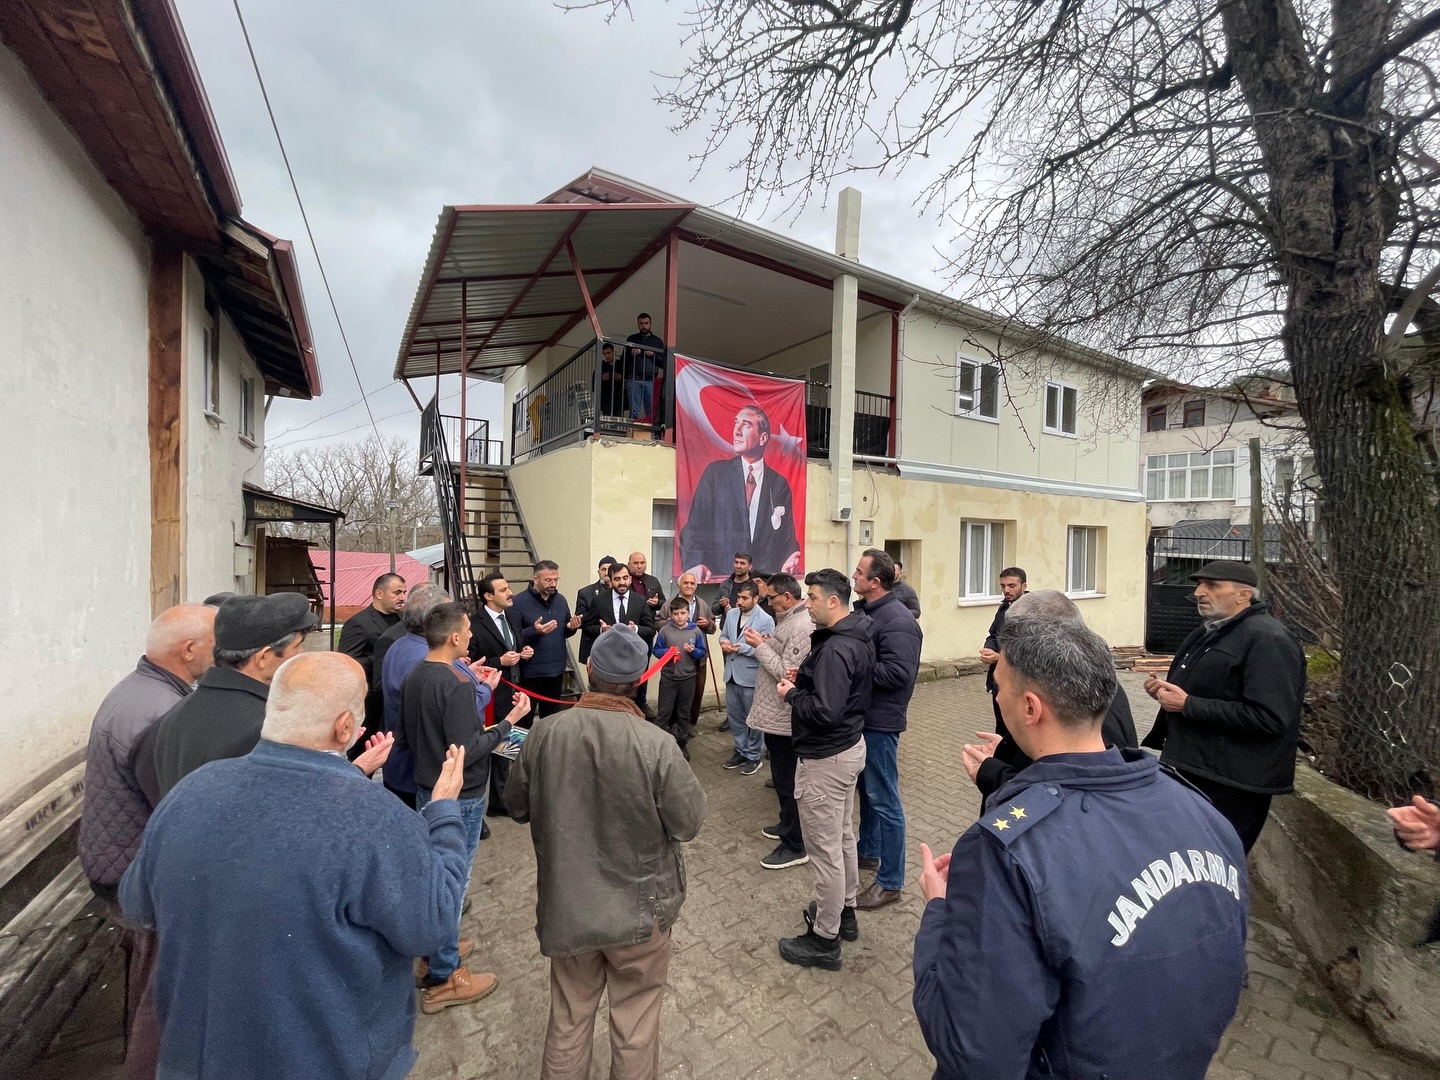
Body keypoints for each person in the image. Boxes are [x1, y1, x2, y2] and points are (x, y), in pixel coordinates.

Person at [913, 617, 1248, 1079]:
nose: (995, 696)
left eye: (999, 686)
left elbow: (973, 1049)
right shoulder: (1201, 811)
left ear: (1030, 707)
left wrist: (940, 912)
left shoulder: (1008, 851)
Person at [118, 652, 473, 1080]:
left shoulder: (191, 790)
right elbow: (433, 926)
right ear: (345, 727)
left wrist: (351, 775)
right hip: (325, 1058)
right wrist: (444, 811)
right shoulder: (375, 817)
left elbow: (136, 903)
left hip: (194, 1056)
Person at [506, 626, 706, 1080]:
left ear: (590, 668)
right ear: (639, 680)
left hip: (568, 906)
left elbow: (517, 807)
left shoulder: (544, 734)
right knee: (635, 1024)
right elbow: (688, 823)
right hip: (641, 913)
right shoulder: (657, 744)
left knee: (568, 1018)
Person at [79, 602, 216, 1080]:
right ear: (189, 649)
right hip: (132, 873)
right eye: (215, 643)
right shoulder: (159, 712)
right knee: (160, 991)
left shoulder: (143, 690)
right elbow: (176, 810)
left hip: (118, 858)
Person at [399, 601, 530, 1013]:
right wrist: (509, 722)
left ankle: (436, 949)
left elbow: (408, 736)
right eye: (469, 630)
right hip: (462, 795)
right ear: (454, 637)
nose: (472, 636)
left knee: (436, 874)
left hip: (427, 788)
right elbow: (468, 749)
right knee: (453, 882)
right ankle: (445, 974)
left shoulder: (416, 674)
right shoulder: (454, 685)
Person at [1141, 560, 1306, 853]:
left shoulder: (1268, 639)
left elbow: (1269, 717)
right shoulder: (1211, 631)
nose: (1199, 593)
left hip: (1232, 783)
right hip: (1197, 770)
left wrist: (1188, 704)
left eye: (1212, 585)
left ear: (1244, 595)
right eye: (1199, 585)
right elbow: (1210, 691)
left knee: (1217, 863)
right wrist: (1167, 694)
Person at [774, 569, 872, 970]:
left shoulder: (836, 647)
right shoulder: (854, 634)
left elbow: (826, 711)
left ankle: (824, 939)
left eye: (812, 597)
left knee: (825, 851)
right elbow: (838, 692)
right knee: (843, 836)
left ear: (834, 601)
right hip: (847, 748)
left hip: (826, 758)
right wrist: (807, 680)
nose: (806, 603)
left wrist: (792, 694)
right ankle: (844, 910)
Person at [962, 590, 1138, 802]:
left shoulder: (1086, 705)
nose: (998, 697)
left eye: (1019, 638)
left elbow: (1075, 798)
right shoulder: (1088, 683)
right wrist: (1008, 751)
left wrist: (996, 777)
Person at [144, 593, 315, 802]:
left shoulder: (176, 713)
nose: (301, 654)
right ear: (264, 657)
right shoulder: (264, 727)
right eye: (297, 646)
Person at [851, 549, 922, 910]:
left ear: (875, 582)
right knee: (868, 792)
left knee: (885, 799)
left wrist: (851, 666)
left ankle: (891, 882)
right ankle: (869, 851)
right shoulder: (869, 612)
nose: (854, 576)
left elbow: (898, 674)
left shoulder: (898, 620)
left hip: (880, 722)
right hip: (865, 717)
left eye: (859, 572)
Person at [680, 406, 801, 582]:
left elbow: (786, 537)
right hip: (722, 581)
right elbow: (694, 528)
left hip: (762, 584)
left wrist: (789, 557)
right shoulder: (715, 475)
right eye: (736, 423)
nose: (736, 431)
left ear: (763, 438)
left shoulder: (778, 484)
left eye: (746, 425)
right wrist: (696, 563)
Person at [744, 572, 814, 870]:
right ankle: (787, 825)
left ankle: (795, 844)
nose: (767, 602)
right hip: (776, 715)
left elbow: (788, 672)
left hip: (784, 717)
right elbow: (785, 656)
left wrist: (759, 646)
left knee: (788, 781)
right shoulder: (788, 620)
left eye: (771, 597)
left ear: (787, 597)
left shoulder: (800, 625)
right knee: (782, 779)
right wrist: (767, 643)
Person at [378, 583, 450, 810]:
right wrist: (480, 689)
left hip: (401, 767)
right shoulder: (425, 660)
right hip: (416, 774)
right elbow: (443, 712)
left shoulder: (402, 644)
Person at [468, 572, 533, 817]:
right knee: (496, 746)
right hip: (493, 695)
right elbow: (470, 663)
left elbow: (516, 644)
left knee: (512, 746)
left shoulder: (513, 616)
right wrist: (499, 661)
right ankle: (497, 802)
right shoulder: (474, 623)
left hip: (516, 689)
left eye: (508, 588)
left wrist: (525, 652)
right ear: (488, 596)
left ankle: (506, 797)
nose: (510, 593)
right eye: (503, 590)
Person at [337, 572, 407, 758]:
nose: (402, 597)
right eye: (397, 592)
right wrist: (380, 658)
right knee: (364, 753)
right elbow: (347, 662)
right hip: (371, 704)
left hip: (395, 699)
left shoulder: (405, 619)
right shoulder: (358, 624)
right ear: (379, 593)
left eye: (404, 592)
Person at [580, 562, 656, 709]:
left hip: (631, 661)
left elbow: (650, 629)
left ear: (630, 579)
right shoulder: (599, 601)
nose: (622, 582)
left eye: (625, 578)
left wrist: (635, 629)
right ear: (610, 580)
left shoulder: (640, 600)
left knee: (630, 702)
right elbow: (588, 627)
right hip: (607, 662)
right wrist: (602, 631)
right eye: (617, 579)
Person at [513, 560, 583, 716]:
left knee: (551, 718)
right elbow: (513, 636)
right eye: (548, 580)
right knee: (525, 717)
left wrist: (571, 627)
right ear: (535, 579)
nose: (553, 584)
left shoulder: (560, 600)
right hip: (531, 672)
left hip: (556, 670)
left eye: (556, 579)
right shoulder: (518, 602)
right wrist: (535, 631)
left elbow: (564, 631)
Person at [719, 580, 774, 775]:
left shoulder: (766, 620)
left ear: (756, 598)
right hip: (731, 674)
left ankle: (754, 756)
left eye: (744, 598)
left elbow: (767, 649)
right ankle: (741, 750)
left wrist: (740, 648)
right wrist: (724, 643)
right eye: (738, 597)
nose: (739, 602)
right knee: (735, 718)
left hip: (751, 676)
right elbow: (723, 635)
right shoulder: (732, 614)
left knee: (753, 720)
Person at [651, 596, 708, 757]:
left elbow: (702, 652)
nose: (679, 617)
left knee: (684, 713)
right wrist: (667, 653)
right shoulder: (665, 630)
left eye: (683, 613)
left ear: (688, 613)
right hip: (669, 678)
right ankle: (660, 746)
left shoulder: (695, 631)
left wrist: (693, 651)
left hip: (688, 678)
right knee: (664, 712)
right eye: (676, 614)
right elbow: (656, 650)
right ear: (671, 614)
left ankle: (682, 743)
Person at [980, 566, 1027, 737]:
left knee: (1018, 731)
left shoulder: (1033, 612)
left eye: (1011, 586)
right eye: (1002, 586)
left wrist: (1000, 658)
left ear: (1024, 586)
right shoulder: (1004, 608)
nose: (1006, 590)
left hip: (1020, 683)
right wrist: (989, 648)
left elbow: (1031, 650)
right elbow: (993, 634)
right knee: (1001, 728)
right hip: (999, 681)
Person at [675, 572, 718, 726]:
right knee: (676, 691)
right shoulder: (671, 603)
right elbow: (658, 623)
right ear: (679, 585)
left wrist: (708, 623)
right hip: (677, 656)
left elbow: (713, 627)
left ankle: (691, 724)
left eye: (692, 583)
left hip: (699, 658)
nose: (689, 586)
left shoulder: (702, 604)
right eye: (685, 583)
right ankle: (675, 723)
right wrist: (672, 624)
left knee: (697, 690)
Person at [626, 551, 667, 714]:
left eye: (642, 563)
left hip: (646, 631)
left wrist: (657, 603)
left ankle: (641, 702)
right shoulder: (624, 580)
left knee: (644, 668)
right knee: (627, 668)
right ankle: (627, 702)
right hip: (627, 632)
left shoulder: (652, 581)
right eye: (636, 563)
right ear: (629, 564)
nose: (639, 566)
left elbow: (664, 602)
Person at [625, 311, 666, 421]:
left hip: (650, 380)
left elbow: (663, 363)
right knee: (634, 412)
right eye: (641, 323)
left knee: (651, 413)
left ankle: (649, 432)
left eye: (646, 323)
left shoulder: (657, 342)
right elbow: (624, 359)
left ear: (650, 324)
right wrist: (631, 353)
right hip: (634, 379)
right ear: (638, 324)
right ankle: (633, 431)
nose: (644, 326)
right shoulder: (632, 339)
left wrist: (653, 355)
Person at [576, 555, 617, 664]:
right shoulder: (586, 593)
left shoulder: (622, 592)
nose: (606, 572)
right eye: (603, 569)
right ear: (598, 572)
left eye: (609, 569)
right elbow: (580, 620)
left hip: (616, 647)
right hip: (593, 644)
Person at [598, 341, 626, 419]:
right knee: (607, 423)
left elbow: (625, 379)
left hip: (619, 401)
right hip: (606, 402)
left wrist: (617, 376)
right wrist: (602, 378)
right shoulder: (600, 367)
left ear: (614, 352)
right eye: (604, 354)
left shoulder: (621, 365)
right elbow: (594, 385)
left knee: (619, 422)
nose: (607, 356)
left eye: (608, 353)